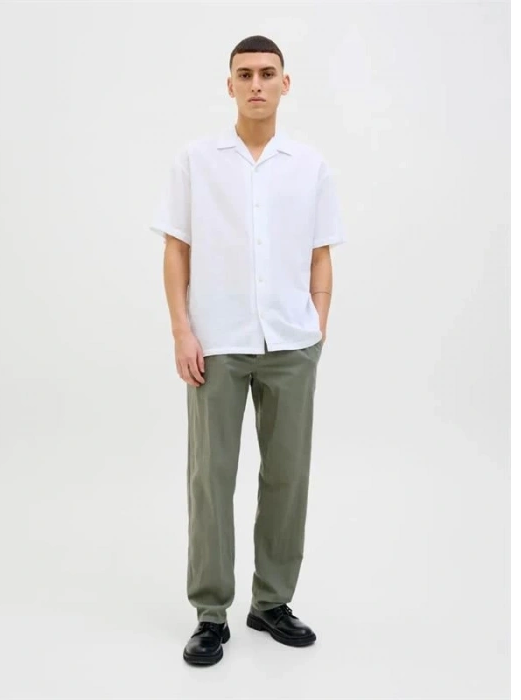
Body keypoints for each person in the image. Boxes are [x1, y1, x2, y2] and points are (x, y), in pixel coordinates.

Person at [149, 35, 345, 666]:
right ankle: (211, 614)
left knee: (288, 475)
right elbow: (176, 249)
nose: (256, 83)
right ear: (229, 84)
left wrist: (317, 324)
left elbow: (321, 254)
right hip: (218, 342)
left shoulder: (310, 166)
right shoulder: (196, 161)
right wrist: (182, 330)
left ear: (285, 83)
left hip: (292, 341)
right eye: (245, 74)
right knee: (211, 478)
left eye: (267, 73)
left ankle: (271, 602)